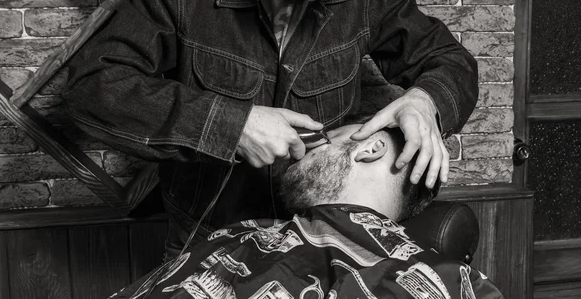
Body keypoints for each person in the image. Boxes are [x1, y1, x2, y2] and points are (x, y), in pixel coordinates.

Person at [63, 0, 478, 259]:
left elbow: (449, 59)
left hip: (319, 241)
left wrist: (427, 100)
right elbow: (93, 88)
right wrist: (230, 125)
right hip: (208, 241)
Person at [109, 125, 503, 299]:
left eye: (326, 138)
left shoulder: (431, 279)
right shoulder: (241, 232)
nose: (299, 147)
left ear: (369, 148)